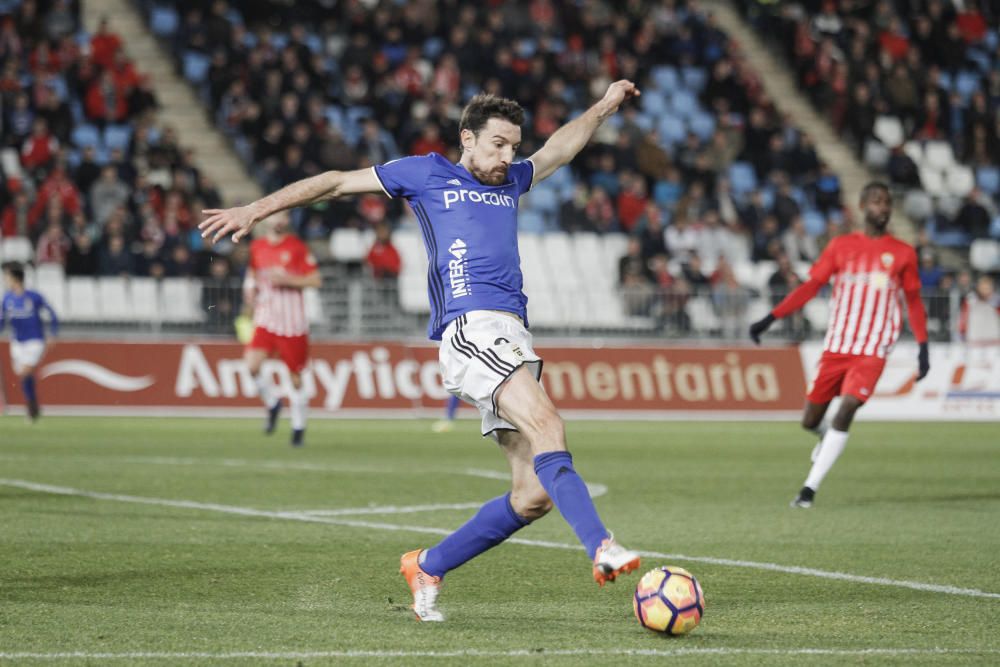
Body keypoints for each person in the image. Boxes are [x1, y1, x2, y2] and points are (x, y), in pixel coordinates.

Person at [200, 81, 643, 622]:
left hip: (510, 334)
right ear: (467, 138)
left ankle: (428, 565)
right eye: (499, 144)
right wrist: (256, 208)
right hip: (470, 329)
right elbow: (336, 182)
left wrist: (601, 106)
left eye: (513, 146)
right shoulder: (427, 173)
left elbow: (560, 148)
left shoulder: (512, 181)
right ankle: (602, 547)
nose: (509, 157)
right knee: (549, 425)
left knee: (531, 495)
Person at [748, 182, 930, 508]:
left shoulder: (903, 253)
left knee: (847, 407)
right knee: (809, 420)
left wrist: (923, 346)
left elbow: (913, 302)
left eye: (887, 202)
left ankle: (808, 490)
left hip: (873, 348)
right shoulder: (841, 246)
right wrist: (770, 318)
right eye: (876, 201)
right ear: (862, 206)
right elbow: (810, 287)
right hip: (838, 346)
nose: (883, 207)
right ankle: (824, 435)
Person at [242, 214, 321, 447]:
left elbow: (315, 280)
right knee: (251, 365)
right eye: (276, 214)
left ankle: (298, 429)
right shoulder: (257, 246)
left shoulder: (296, 247)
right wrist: (249, 293)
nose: (279, 219)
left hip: (292, 323)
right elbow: (253, 274)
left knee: (295, 379)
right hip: (266, 318)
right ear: (266, 218)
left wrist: (289, 280)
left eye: (284, 215)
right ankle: (273, 402)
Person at [1, 262, 59, 421]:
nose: (5, 280)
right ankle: (34, 406)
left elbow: (52, 314)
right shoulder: (7, 298)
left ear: (15, 278)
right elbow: (2, 320)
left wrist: (53, 334)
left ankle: (31, 406)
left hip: (35, 341)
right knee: (23, 375)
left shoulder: (34, 297)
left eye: (7, 277)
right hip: (17, 342)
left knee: (24, 372)